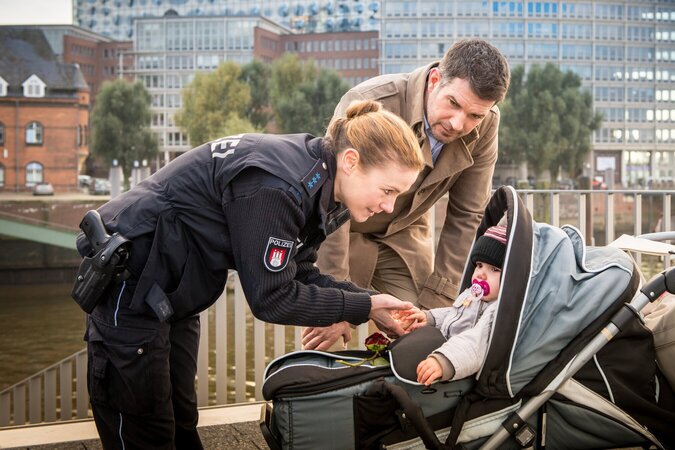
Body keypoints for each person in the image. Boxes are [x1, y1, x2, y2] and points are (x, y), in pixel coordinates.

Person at [74, 100, 425, 449]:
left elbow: (299, 270)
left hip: (174, 290)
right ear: (351, 161)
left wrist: (371, 303)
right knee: (145, 428)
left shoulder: (323, 188)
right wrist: (363, 308)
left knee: (181, 418)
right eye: (388, 191)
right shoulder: (278, 186)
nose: (389, 207)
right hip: (131, 282)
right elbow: (271, 297)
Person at [303, 38, 510, 351]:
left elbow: (467, 215)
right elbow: (332, 197)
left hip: (405, 236)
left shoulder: (487, 123)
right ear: (436, 79)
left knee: (426, 341)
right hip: (342, 227)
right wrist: (336, 303)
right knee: (325, 340)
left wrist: (439, 302)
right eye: (453, 103)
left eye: (475, 116)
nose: (458, 124)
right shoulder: (370, 102)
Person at [400, 225, 507, 385]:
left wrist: (444, 361)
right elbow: (455, 313)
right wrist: (430, 318)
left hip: (460, 364)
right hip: (446, 346)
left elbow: (475, 343)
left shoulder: (497, 311)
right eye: (479, 265)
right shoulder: (472, 295)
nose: (481, 274)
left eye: (494, 269)